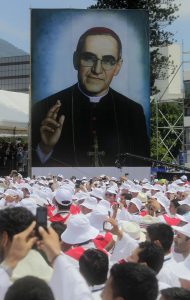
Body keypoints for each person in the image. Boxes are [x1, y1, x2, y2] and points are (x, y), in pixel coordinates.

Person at [32, 27, 149, 167]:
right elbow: (33, 166)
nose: (97, 70)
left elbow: (142, 163)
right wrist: (45, 148)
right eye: (88, 58)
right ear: (76, 60)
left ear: (118, 66)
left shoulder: (133, 112)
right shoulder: (44, 108)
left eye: (108, 60)